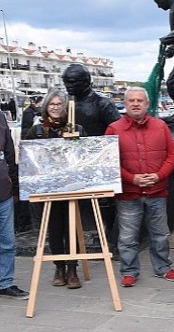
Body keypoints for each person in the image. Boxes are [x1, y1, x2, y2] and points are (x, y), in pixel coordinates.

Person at [105, 87, 174, 287]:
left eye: (140, 100)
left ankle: (163, 267)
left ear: (147, 104)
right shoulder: (114, 129)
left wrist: (158, 175)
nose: (136, 103)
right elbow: (109, 162)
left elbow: (172, 155)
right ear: (125, 103)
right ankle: (129, 271)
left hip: (157, 190)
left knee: (160, 234)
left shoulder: (160, 126)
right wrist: (132, 179)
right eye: (131, 100)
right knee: (128, 236)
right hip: (129, 194)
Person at [24, 90, 86, 289]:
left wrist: (73, 142)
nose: (56, 107)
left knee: (72, 228)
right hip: (48, 189)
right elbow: (29, 160)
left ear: (66, 106)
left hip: (72, 187)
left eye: (59, 104)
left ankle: (72, 268)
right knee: (55, 228)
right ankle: (59, 267)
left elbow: (86, 157)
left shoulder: (77, 128)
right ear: (46, 106)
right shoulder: (37, 131)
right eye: (52, 104)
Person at [62, 63, 121, 256]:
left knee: (105, 202)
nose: (69, 86)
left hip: (101, 161)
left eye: (73, 82)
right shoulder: (65, 103)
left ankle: (107, 234)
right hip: (74, 162)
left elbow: (117, 131)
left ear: (87, 82)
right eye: (66, 82)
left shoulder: (103, 103)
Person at [0, 110, 29, 300]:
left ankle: (5, 282)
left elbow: (10, 154)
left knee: (8, 242)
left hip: (4, 191)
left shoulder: (1, 118)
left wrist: (16, 188)